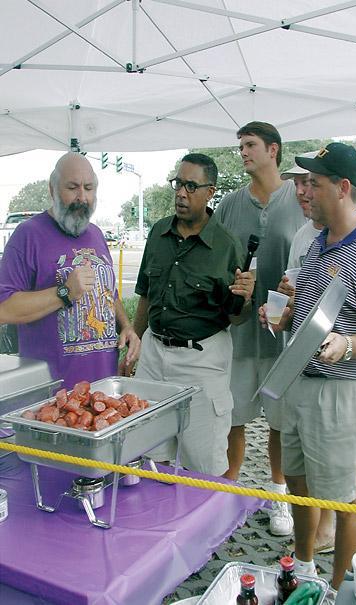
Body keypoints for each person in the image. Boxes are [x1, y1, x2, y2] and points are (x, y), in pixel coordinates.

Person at [260, 142, 356, 594]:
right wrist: (285, 315)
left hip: (343, 397)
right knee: (300, 485)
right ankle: (304, 570)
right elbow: (310, 314)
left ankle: (340, 592)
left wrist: (349, 343)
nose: (303, 191)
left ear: (342, 188)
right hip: (300, 384)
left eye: (312, 184)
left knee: (345, 500)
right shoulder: (318, 244)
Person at [128, 153, 254, 476]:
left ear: (210, 191)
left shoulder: (227, 246)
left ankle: (213, 524)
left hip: (201, 360)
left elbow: (237, 317)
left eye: (191, 186)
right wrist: (135, 341)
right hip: (154, 356)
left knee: (204, 462)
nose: (181, 193)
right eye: (178, 184)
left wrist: (245, 298)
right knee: (148, 454)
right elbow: (145, 294)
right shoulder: (158, 234)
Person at [215, 121, 305, 535]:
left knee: (280, 423)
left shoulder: (300, 197)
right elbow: (214, 260)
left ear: (274, 149)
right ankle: (228, 492)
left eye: (250, 145)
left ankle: (278, 496)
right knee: (232, 417)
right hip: (238, 334)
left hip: (284, 336)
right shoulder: (230, 204)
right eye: (240, 146)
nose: (243, 152)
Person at [0, 152, 139, 389]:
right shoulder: (27, 235)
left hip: (102, 389)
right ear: (52, 190)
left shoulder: (96, 233)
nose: (82, 197)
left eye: (89, 188)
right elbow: (4, 309)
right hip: (52, 398)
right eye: (72, 187)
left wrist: (126, 326)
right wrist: (63, 293)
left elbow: (108, 294)